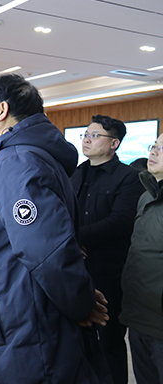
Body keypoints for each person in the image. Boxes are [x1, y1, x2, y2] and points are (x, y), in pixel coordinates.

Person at [0, 74, 109, 383]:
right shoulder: (17, 158)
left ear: (1, 109)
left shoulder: (16, 161)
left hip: (14, 326)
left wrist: (80, 301)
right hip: (11, 313)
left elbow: (48, 251)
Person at [71, 115, 144, 384]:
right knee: (76, 338)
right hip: (75, 268)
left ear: (114, 144)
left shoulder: (129, 178)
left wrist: (75, 238)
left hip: (109, 271)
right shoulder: (75, 173)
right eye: (85, 135)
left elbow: (119, 222)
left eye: (95, 135)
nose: (87, 140)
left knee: (109, 341)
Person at [120, 135, 163, 384]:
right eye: (154, 146)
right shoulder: (146, 196)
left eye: (162, 148)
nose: (154, 152)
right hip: (138, 314)